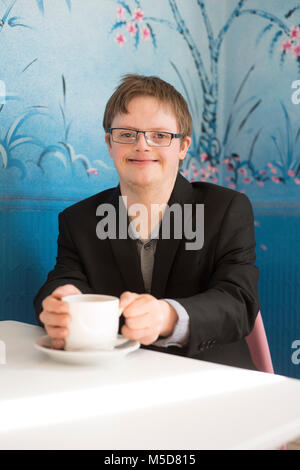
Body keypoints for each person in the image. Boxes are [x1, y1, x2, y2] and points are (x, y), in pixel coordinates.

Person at [34, 74, 260, 370]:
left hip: (212, 378)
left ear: (182, 147)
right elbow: (64, 280)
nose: (142, 145)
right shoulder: (79, 221)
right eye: (127, 134)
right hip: (115, 379)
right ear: (109, 143)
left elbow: (239, 302)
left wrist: (167, 316)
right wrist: (60, 302)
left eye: (160, 135)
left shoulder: (225, 210)